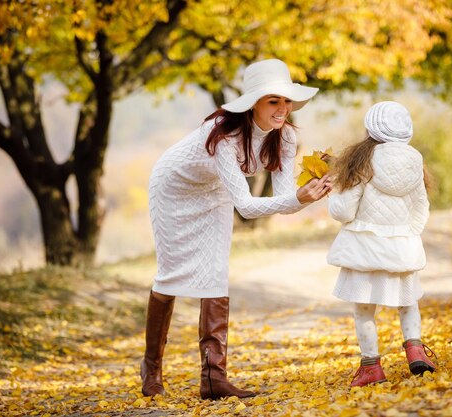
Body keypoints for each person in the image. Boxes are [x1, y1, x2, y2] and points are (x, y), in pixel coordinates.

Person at [141, 59, 332, 400]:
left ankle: (213, 378)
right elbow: (246, 207)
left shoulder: (285, 137)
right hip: (173, 186)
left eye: (286, 101)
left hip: (216, 189)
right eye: (274, 101)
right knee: (169, 274)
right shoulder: (224, 137)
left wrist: (307, 194)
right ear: (253, 104)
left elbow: (286, 194)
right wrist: (298, 200)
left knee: (216, 271)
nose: (283, 109)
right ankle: (151, 368)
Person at [326, 101, 436, 387]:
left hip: (365, 248)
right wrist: (405, 234)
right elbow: (421, 207)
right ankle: (415, 350)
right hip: (402, 247)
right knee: (408, 302)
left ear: (371, 128)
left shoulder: (363, 159)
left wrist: (331, 195)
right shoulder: (415, 160)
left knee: (364, 310)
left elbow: (345, 211)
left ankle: (371, 367)